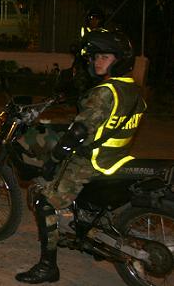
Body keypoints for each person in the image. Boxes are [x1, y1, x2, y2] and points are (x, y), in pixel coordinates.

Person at [16, 31, 146, 284]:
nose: (98, 62)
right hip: (116, 157)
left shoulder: (105, 92)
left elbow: (78, 133)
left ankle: (47, 267)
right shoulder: (133, 89)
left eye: (105, 57)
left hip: (92, 162)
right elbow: (104, 124)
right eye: (96, 56)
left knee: (45, 202)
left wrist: (54, 159)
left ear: (118, 60)